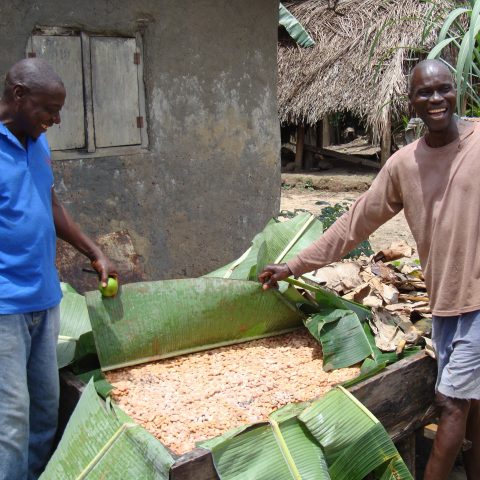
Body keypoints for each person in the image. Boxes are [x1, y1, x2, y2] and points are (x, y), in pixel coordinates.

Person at [259, 59, 480, 480]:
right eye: (424, 93)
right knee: (472, 406)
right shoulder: (403, 165)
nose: (435, 99)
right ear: (410, 102)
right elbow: (352, 225)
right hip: (445, 304)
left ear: (457, 92)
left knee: (451, 403)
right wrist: (292, 266)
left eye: (443, 89)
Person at [0, 58, 117, 479]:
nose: (57, 119)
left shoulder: (37, 140)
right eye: (49, 109)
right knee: (11, 421)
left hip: (45, 298)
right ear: (18, 96)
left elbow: (50, 206)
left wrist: (93, 251)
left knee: (46, 410)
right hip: (5, 307)